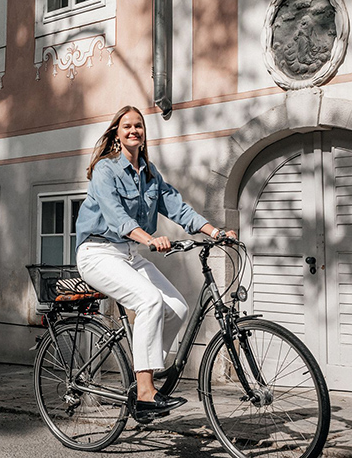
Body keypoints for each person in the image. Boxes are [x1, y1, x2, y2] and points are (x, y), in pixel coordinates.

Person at [74, 105, 235, 415]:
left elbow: (178, 209)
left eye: (139, 126)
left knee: (176, 306)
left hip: (128, 254)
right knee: (149, 301)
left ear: (144, 135)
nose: (134, 130)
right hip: (97, 252)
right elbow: (117, 217)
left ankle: (145, 368)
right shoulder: (105, 170)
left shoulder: (150, 174)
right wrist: (149, 239)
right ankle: (145, 392)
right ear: (117, 135)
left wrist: (215, 233)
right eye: (127, 127)